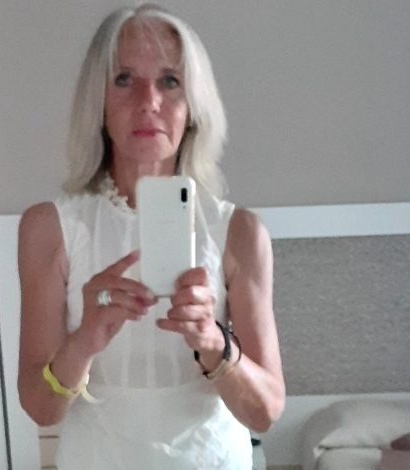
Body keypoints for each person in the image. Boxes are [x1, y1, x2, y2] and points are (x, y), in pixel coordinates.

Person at [18, 4, 285, 469]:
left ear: (193, 105)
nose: (148, 101)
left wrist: (213, 342)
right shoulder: (49, 228)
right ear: (98, 101)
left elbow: (264, 413)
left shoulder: (239, 233)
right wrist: (85, 339)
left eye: (169, 80)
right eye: (124, 79)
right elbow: (41, 409)